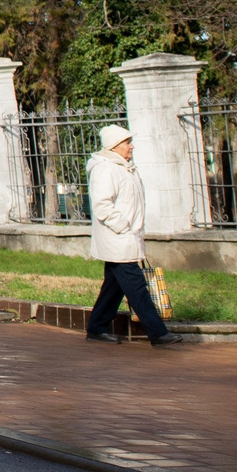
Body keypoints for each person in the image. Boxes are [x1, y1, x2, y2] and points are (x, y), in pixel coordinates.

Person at [84, 125, 175, 346]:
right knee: (136, 287)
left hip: (126, 236)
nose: (131, 146)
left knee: (114, 287)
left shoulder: (124, 167)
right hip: (118, 237)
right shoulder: (105, 169)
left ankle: (97, 327)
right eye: (126, 142)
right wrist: (123, 226)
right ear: (114, 146)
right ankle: (158, 333)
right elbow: (102, 205)